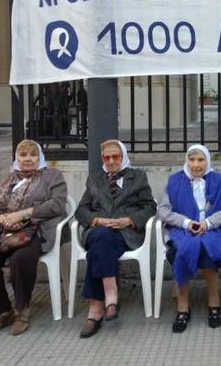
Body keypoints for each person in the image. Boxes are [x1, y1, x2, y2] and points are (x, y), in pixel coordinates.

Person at [0, 140, 67, 335]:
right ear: (17, 157)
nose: (27, 159)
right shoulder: (5, 179)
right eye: (23, 155)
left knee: (21, 258)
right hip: (3, 230)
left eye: (32, 155)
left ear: (39, 157)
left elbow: (57, 204)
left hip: (36, 229)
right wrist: (1, 218)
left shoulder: (52, 177)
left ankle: (22, 309)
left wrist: (24, 214)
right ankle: (2, 310)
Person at [75, 139, 156, 338]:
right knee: (101, 237)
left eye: (115, 156)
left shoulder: (138, 177)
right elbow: (81, 209)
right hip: (99, 230)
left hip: (124, 234)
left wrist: (128, 220)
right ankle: (110, 294)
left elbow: (149, 207)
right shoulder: (94, 179)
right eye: (106, 157)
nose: (111, 161)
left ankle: (95, 310)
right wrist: (97, 220)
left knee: (98, 247)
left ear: (123, 157)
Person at [156, 144, 221, 333]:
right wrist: (186, 223)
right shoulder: (174, 181)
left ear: (207, 161)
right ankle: (183, 305)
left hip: (212, 229)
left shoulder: (220, 181)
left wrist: (207, 224)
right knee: (179, 251)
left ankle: (213, 300)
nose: (196, 164)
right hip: (182, 231)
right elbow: (163, 210)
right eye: (191, 160)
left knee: (208, 247)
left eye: (200, 160)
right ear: (186, 161)